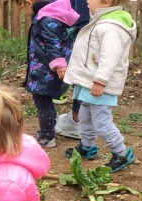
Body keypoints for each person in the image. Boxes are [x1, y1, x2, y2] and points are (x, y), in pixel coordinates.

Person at [63, 0, 137, 172]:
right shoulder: (101, 21)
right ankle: (87, 146)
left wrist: (100, 80)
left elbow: (110, 56)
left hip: (99, 84)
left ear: (106, 2)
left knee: (101, 122)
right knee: (85, 115)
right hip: (90, 81)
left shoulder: (111, 26)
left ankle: (121, 153)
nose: (87, 1)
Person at [18, 0, 79, 149]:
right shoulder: (51, 17)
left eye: (20, 5)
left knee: (42, 102)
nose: (20, 10)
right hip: (44, 70)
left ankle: (47, 136)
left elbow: (53, 44)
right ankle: (48, 129)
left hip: (45, 72)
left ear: (28, 2)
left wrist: (59, 66)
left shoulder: (46, 20)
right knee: (45, 102)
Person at [55, 0, 91, 138]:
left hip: (82, 25)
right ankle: (80, 117)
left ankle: (78, 119)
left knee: (82, 63)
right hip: (82, 22)